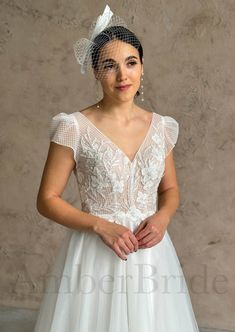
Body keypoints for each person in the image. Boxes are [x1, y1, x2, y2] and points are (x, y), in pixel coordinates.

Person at [33, 5, 200, 331]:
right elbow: (47, 199)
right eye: (109, 65)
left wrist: (162, 217)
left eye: (131, 63)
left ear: (142, 68)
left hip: (150, 253)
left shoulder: (161, 127)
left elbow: (170, 190)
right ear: (95, 71)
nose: (123, 75)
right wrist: (100, 226)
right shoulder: (74, 127)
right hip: (95, 252)